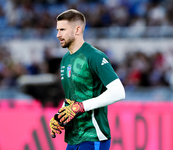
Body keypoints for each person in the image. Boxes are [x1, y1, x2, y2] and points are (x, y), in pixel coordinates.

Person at [49, 9, 125, 150]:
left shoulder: (95, 56)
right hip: (73, 138)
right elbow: (72, 98)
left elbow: (119, 92)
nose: (58, 35)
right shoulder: (65, 59)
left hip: (93, 137)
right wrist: (59, 116)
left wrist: (81, 107)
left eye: (62, 30)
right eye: (58, 30)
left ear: (77, 30)